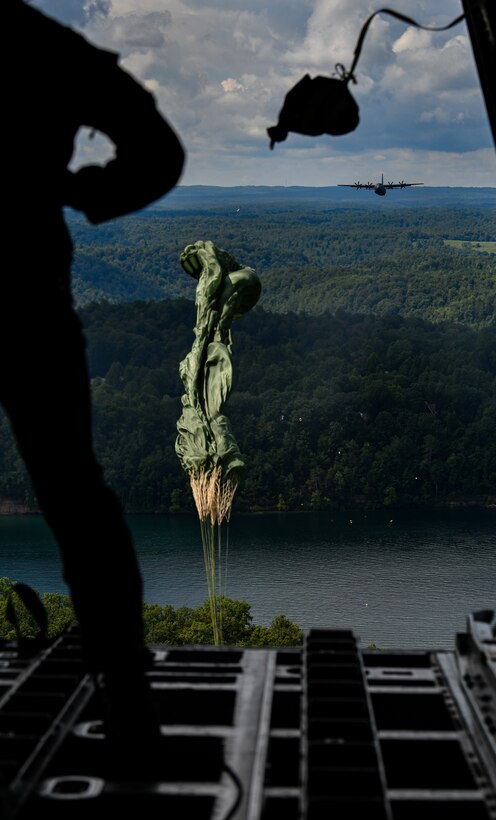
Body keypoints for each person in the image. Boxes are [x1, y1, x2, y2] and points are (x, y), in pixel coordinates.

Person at [2, 0, 185, 760]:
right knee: (77, 496)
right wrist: (77, 191)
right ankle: (131, 708)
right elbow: (159, 154)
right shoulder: (42, 47)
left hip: (30, 300)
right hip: (25, 297)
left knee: (78, 495)